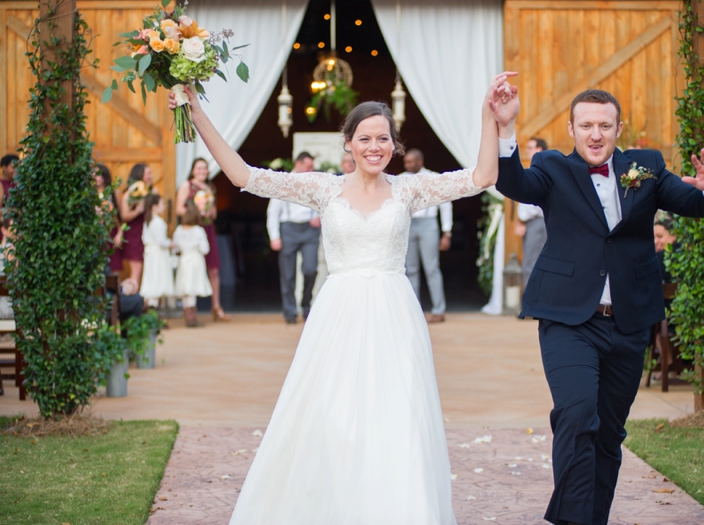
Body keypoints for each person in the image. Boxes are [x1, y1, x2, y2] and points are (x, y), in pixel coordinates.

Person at [169, 71, 510, 524]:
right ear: (347, 143)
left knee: (395, 415)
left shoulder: (409, 190)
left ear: (394, 144)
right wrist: (198, 113)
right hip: (338, 314)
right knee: (331, 413)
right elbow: (242, 175)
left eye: (383, 138)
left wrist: (494, 117)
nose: (375, 146)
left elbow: (483, 176)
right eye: (365, 138)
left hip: (394, 313)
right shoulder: (324, 189)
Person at [493, 87, 704, 525]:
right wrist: (506, 128)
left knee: (607, 433)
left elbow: (690, 202)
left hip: (629, 322)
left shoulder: (647, 166)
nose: (595, 134)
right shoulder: (551, 167)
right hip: (568, 319)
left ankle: (589, 518)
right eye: (586, 125)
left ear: (619, 128)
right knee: (577, 415)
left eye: (604, 125)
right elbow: (514, 183)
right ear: (571, 129)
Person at [265, 152, 321, 324]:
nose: (310, 170)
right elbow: (273, 211)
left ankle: (306, 305)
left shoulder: (315, 183)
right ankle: (290, 311)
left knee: (310, 269)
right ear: (298, 164)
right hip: (289, 228)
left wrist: (320, 215)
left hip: (310, 230)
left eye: (312, 167)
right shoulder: (284, 183)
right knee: (288, 274)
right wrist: (274, 236)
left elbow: (325, 204)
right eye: (308, 166)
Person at [402, 149, 453, 323]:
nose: (408, 165)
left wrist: (447, 232)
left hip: (428, 224)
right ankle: (414, 311)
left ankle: (438, 309)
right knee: (411, 269)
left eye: (411, 162)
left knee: (432, 268)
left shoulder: (433, 178)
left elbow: (445, 204)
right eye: (406, 162)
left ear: (420, 161)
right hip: (408, 225)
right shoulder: (400, 179)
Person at [176, 157, 229, 322]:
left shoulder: (210, 188)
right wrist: (196, 211)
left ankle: (216, 306)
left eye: (205, 169)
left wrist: (208, 210)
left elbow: (214, 213)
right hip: (192, 229)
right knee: (191, 267)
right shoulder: (187, 186)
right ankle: (190, 309)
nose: (202, 171)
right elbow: (178, 209)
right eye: (199, 168)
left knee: (213, 268)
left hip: (207, 229)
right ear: (193, 170)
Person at [515, 137, 549, 288]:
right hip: (531, 223)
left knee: (531, 264)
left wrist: (522, 219)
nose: (527, 151)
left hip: (537, 222)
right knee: (530, 263)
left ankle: (531, 306)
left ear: (539, 150)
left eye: (530, 147)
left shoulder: (541, 171)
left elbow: (534, 204)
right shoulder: (533, 169)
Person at [173, 203, 212, 327]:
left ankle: (187, 315)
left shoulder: (179, 230)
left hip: (184, 260)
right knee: (192, 289)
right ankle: (191, 318)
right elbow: (205, 249)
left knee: (186, 288)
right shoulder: (198, 231)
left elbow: (175, 248)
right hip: (195, 261)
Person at [120, 163, 153, 285]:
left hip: (146, 234)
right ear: (140, 175)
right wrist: (137, 210)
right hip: (133, 233)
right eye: (148, 173)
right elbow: (124, 215)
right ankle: (134, 299)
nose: (151, 176)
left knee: (145, 268)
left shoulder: (150, 190)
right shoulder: (131, 192)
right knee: (137, 268)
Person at [140, 194, 175, 309]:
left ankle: (151, 309)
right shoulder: (157, 222)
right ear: (154, 207)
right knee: (156, 277)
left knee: (152, 278)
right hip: (158, 254)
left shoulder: (147, 221)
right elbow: (161, 241)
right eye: (162, 204)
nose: (164, 207)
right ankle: (152, 312)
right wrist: (170, 243)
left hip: (151, 253)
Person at [95, 164, 124, 272]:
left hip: (110, 232)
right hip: (97, 233)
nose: (95, 177)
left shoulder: (113, 193)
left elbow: (118, 217)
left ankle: (114, 287)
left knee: (112, 264)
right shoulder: (91, 194)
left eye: (98, 175)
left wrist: (120, 233)